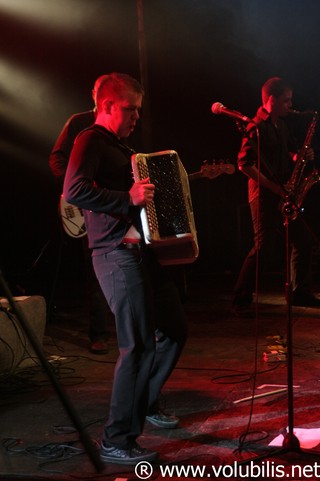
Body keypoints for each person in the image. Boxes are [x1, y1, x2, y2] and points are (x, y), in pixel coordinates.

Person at [63, 72, 188, 464]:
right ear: (107, 106)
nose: (136, 116)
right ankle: (117, 439)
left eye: (138, 109)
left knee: (173, 330)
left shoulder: (122, 147)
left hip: (142, 254)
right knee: (136, 346)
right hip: (115, 254)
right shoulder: (89, 140)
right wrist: (128, 196)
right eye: (130, 109)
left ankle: (146, 402)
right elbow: (74, 190)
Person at [232, 76, 320, 318]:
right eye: (286, 101)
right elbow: (244, 164)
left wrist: (300, 156)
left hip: (282, 192)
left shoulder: (280, 125)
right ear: (270, 100)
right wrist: (273, 187)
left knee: (303, 240)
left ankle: (299, 292)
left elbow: (288, 153)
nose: (290, 106)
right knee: (263, 247)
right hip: (264, 195)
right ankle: (240, 298)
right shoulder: (255, 127)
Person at [49, 74, 111, 354]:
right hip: (87, 205)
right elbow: (57, 157)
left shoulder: (118, 129)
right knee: (95, 269)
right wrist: (73, 187)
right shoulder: (79, 123)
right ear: (94, 95)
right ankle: (98, 333)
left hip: (111, 205)